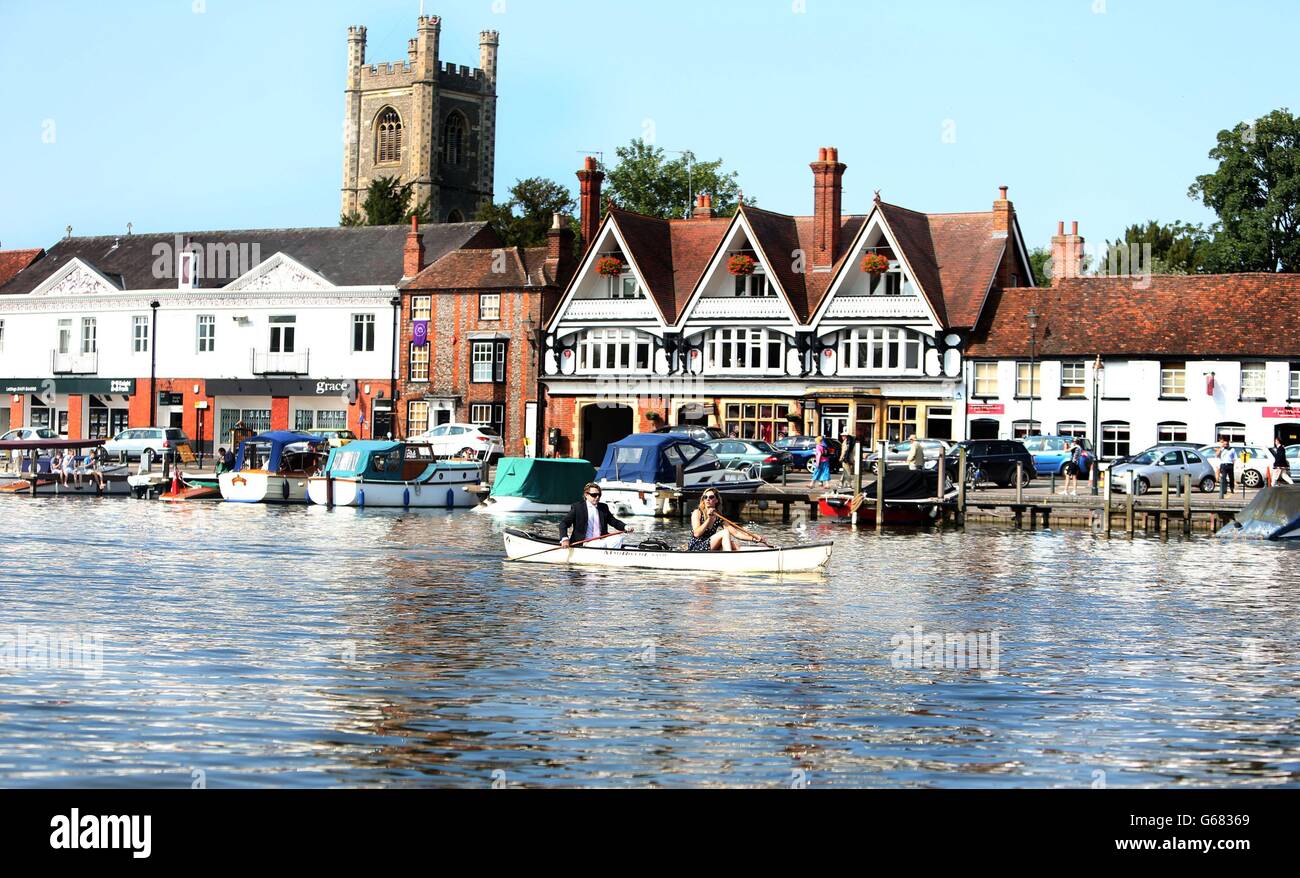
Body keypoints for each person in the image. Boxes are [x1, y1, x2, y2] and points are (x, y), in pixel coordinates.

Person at [688, 488, 769, 552]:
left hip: (709, 544)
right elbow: (696, 534)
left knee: (735, 546)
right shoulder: (697, 512)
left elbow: (736, 533)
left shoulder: (718, 517)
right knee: (725, 532)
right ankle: (729, 559)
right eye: (705, 497)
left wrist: (753, 538)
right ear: (703, 500)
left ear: (716, 500)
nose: (708, 499)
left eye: (711, 497)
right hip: (696, 546)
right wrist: (709, 519)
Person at [559, 483, 632, 548]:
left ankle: (611, 557)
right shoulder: (577, 507)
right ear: (586, 495)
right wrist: (565, 539)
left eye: (599, 495)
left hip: (601, 538)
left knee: (618, 539)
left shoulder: (603, 507)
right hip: (584, 541)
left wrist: (625, 527)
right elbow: (563, 523)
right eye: (594, 495)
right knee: (601, 544)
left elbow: (613, 521)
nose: (597, 497)